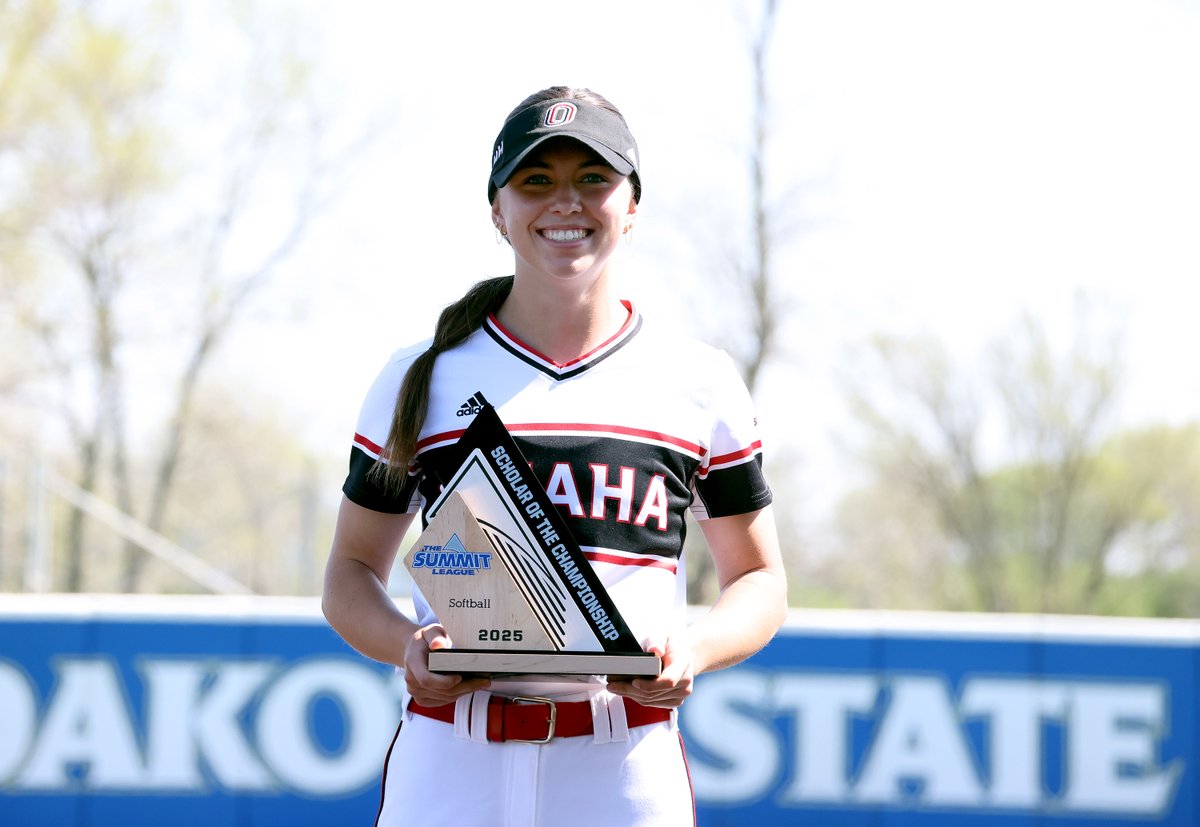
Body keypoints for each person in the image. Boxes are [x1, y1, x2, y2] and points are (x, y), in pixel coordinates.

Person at [322, 86, 787, 827]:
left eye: (593, 179)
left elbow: (760, 578)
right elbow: (348, 576)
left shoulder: (698, 382)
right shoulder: (424, 378)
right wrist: (409, 645)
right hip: (451, 764)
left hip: (621, 768)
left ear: (632, 205)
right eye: (536, 180)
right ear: (497, 211)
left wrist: (693, 649)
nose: (565, 202)